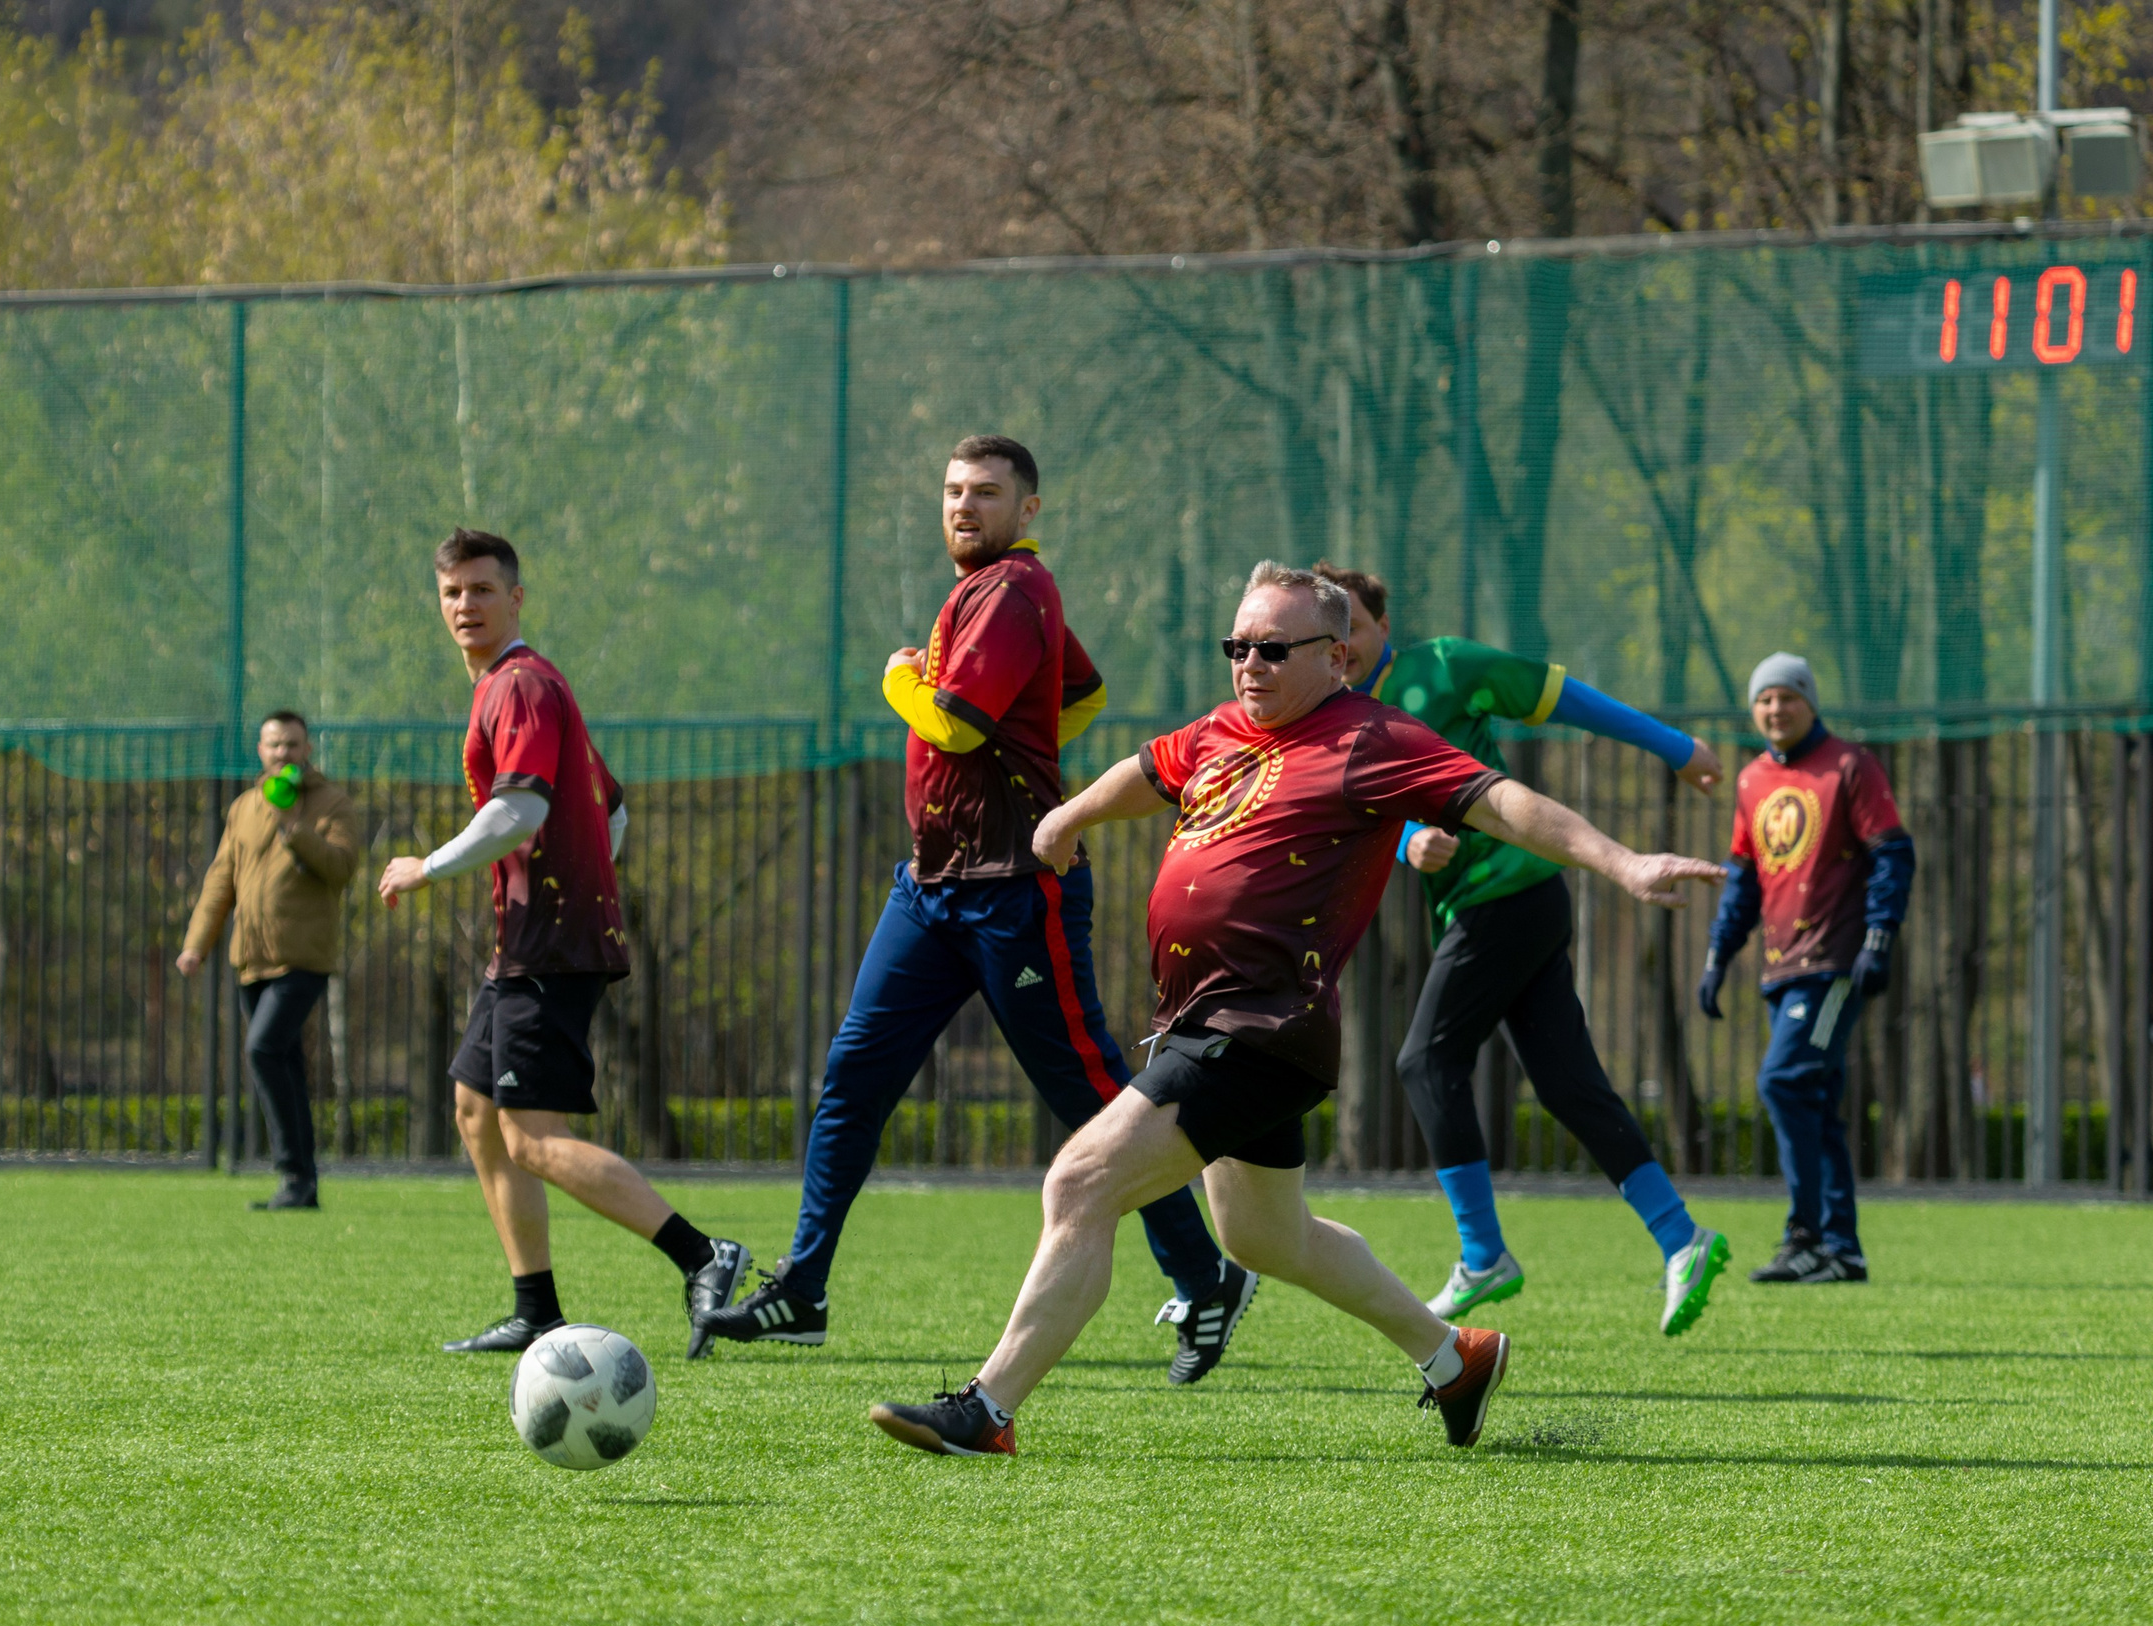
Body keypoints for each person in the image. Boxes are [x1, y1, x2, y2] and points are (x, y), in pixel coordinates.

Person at [866, 561, 1723, 1456]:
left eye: (1273, 649)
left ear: (1336, 657)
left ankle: (987, 1410)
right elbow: (1147, 770)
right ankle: (1454, 1358)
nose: (1250, 664)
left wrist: (1624, 862)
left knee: (1079, 1182)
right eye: (1238, 647)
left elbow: (1502, 803)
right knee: (1266, 1238)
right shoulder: (1222, 729)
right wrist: (1071, 816)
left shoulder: (1372, 738)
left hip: (1257, 1031)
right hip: (1206, 1022)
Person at [699, 436, 1250, 1386]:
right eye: (954, 490)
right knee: (854, 1075)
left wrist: (898, 678)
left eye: (987, 493)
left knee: (1089, 1093)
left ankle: (1207, 1277)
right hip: (930, 889)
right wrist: (1022, 732)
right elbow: (1083, 692)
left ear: (1027, 509)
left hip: (1012, 890)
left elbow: (953, 723)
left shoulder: (1013, 589)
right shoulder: (988, 593)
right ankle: (804, 1288)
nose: (965, 506)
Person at [1318, 565, 1735, 1337]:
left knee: (1425, 1061)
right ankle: (1683, 1238)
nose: (1342, 647)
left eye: (1354, 628)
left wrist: (1676, 747)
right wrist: (1409, 841)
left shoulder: (1444, 667)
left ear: (1384, 626)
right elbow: (1364, 814)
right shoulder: (1331, 717)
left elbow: (1566, 699)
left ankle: (1483, 1255)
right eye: (1328, 634)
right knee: (1570, 1085)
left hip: (1506, 895)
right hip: (1507, 906)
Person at [378, 529, 749, 1359]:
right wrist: (580, 882)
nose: (466, 605)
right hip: (536, 940)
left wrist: (425, 867)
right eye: (452, 593)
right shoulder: (523, 686)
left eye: (482, 589)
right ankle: (536, 1309)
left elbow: (521, 810)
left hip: (548, 947)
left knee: (533, 1138)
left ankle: (704, 1255)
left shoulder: (519, 686)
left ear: (516, 599)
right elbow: (610, 810)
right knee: (476, 1110)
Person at [1700, 653, 1915, 1284]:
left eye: (1788, 697)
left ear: (1810, 702)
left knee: (1784, 1082)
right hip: (1780, 968)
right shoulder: (1751, 781)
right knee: (1814, 1102)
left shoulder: (1850, 765)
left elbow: (1893, 854)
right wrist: (1717, 957)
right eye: (1764, 699)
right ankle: (1840, 1250)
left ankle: (1807, 1235)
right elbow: (1743, 880)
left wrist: (1878, 939)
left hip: (1833, 962)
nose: (1776, 709)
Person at [179, 711, 363, 1211]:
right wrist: (197, 944)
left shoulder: (332, 803)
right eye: (274, 745)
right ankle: (301, 1183)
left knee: (262, 1049)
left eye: (292, 745)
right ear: (260, 750)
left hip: (303, 959)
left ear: (307, 750)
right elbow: (221, 879)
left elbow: (342, 867)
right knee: (285, 1062)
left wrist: (295, 828)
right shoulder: (244, 807)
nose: (283, 754)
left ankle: (290, 1170)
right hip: (252, 959)